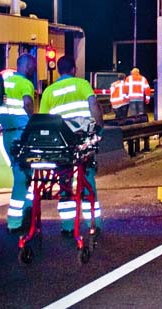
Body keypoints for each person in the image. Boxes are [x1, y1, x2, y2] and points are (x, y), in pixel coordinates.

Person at [39, 55, 105, 234]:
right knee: (87, 180)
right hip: (81, 142)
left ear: (59, 70)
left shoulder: (49, 92)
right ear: (73, 69)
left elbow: (43, 120)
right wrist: (99, 128)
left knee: (65, 183)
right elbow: (94, 105)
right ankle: (93, 223)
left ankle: (67, 226)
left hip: (61, 145)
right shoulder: (81, 84)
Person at [0, 54, 36, 233]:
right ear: (26, 66)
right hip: (22, 133)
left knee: (22, 172)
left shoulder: (5, 82)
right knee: (22, 176)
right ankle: (15, 221)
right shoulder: (25, 84)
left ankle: (28, 211)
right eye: (33, 66)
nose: (34, 70)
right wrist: (33, 119)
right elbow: (28, 103)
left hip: (7, 134)